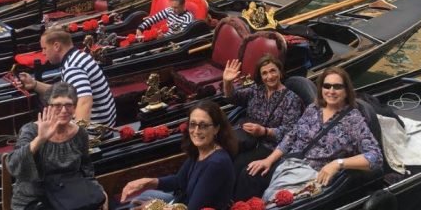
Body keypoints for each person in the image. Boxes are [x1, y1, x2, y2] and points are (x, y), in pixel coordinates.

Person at [233, 66, 383, 201]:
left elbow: (375, 156)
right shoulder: (314, 108)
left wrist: (338, 164)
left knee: (276, 201)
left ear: (346, 91)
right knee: (249, 175)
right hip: (288, 162)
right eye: (327, 86)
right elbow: (292, 136)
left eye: (337, 87)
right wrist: (268, 160)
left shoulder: (353, 120)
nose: (331, 91)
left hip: (312, 174)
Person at [6, 82, 108, 210]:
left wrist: (98, 190)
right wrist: (40, 139)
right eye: (57, 105)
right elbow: (13, 165)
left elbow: (87, 170)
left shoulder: (80, 133)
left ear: (75, 107)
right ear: (47, 107)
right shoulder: (30, 130)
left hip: (69, 196)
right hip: (35, 199)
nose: (64, 110)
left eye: (68, 105)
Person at [120, 100, 237, 210]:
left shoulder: (217, 164)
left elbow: (193, 208)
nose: (196, 131)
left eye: (203, 125)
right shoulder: (200, 150)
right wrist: (147, 182)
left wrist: (154, 207)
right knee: (145, 195)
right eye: (193, 124)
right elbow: (179, 181)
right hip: (182, 202)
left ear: (216, 129)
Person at [17, 27, 117, 129]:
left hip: (95, 130)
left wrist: (77, 138)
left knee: (32, 130)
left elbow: (85, 102)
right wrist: (34, 84)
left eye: (44, 48)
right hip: (103, 124)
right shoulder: (78, 56)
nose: (43, 53)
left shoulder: (72, 67)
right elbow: (62, 92)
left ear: (56, 46)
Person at [222, 55, 303, 178]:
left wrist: (264, 131)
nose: (269, 76)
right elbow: (233, 97)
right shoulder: (257, 89)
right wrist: (227, 82)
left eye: (272, 71)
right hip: (247, 138)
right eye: (264, 73)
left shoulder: (292, 99)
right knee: (222, 157)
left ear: (280, 72)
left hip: (270, 146)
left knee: (239, 166)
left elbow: (290, 131)